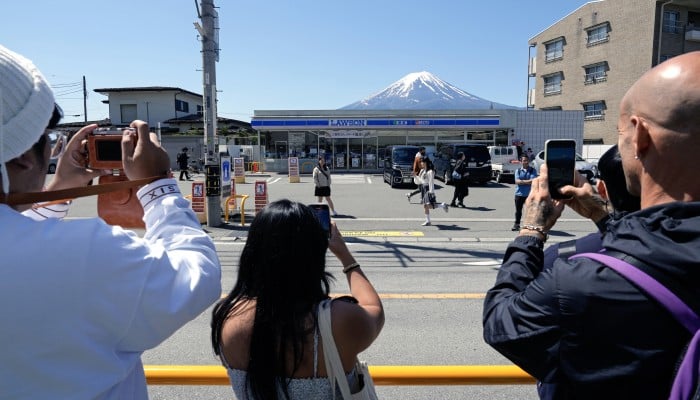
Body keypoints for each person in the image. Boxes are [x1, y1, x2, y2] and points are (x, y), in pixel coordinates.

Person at [0, 45, 221, 399]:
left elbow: (17, 237)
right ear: (25, 155)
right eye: (50, 139)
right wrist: (158, 186)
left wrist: (57, 192)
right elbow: (197, 276)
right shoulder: (82, 254)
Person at [483, 51, 700, 399]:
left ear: (640, 135)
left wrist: (530, 233)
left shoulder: (579, 283)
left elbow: (503, 325)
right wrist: (604, 219)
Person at [211, 199, 384, 400]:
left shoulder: (229, 319)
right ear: (314, 253)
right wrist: (346, 257)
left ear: (253, 252)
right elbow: (373, 308)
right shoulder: (339, 320)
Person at [542, 144, 641, 268]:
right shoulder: (667, 242)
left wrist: (531, 232)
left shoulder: (560, 256)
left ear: (601, 189)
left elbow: (515, 281)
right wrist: (600, 215)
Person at [416, 157, 448, 226]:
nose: (421, 163)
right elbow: (420, 181)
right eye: (420, 162)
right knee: (426, 206)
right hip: (423, 188)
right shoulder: (422, 171)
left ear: (425, 163)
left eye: (422, 162)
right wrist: (415, 176)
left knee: (428, 205)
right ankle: (428, 220)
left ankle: (442, 206)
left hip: (428, 189)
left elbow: (431, 182)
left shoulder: (430, 171)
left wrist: (431, 192)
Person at [511, 154, 538, 231]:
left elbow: (533, 181)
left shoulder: (533, 170)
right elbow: (517, 181)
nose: (525, 162)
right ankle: (517, 225)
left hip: (530, 195)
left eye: (527, 160)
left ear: (529, 161)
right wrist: (527, 182)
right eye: (524, 161)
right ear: (521, 161)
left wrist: (522, 181)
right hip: (519, 194)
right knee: (518, 211)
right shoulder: (518, 171)